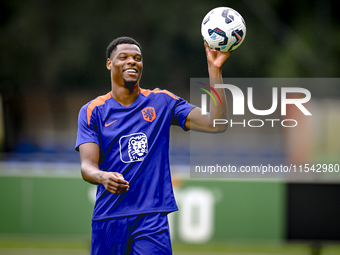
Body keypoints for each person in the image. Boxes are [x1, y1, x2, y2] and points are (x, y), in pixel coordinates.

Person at [75, 36, 230, 255]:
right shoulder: (92, 111)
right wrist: (102, 176)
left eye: (137, 58)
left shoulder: (162, 101)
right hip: (109, 216)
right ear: (109, 63)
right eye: (124, 57)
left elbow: (216, 123)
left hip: (151, 218)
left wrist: (214, 70)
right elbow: (87, 166)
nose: (132, 62)